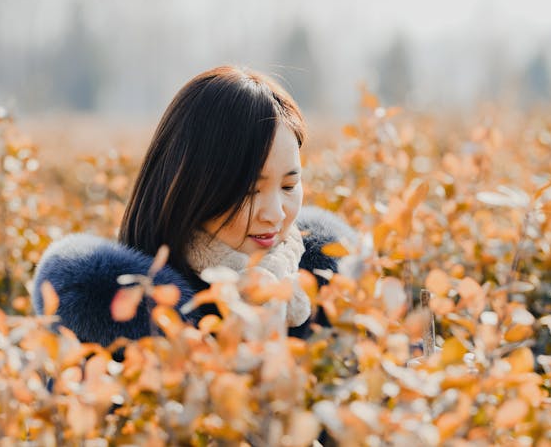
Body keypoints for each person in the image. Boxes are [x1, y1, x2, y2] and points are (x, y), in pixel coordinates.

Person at [31, 66, 355, 345]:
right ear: (193, 187)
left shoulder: (329, 294)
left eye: (288, 186)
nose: (275, 213)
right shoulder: (117, 327)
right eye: (250, 191)